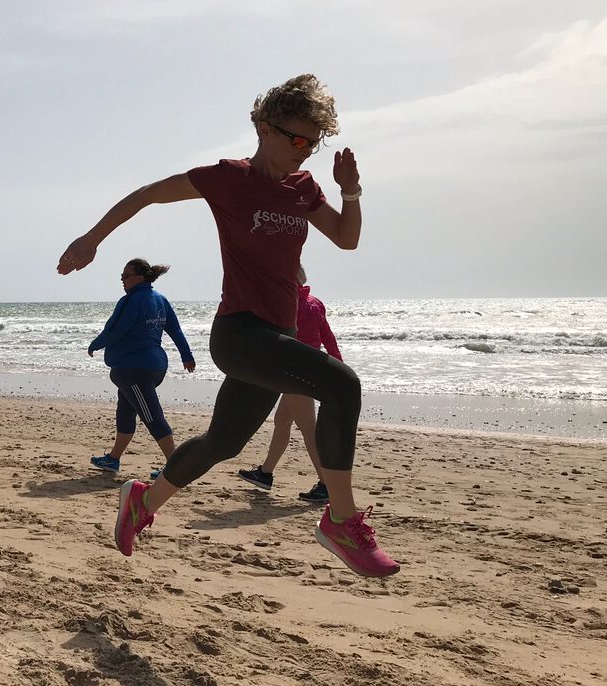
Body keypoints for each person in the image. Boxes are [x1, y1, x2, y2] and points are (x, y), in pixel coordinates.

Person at [58, 74, 398, 577]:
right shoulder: (227, 179)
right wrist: (91, 239)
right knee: (342, 383)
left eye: (314, 141)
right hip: (239, 333)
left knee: (224, 443)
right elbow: (149, 194)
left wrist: (352, 192)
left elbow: (346, 239)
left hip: (276, 338)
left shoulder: (302, 187)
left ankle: (141, 501)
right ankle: (342, 521)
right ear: (263, 126)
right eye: (297, 139)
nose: (305, 151)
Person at [238, 263, 342, 504]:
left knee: (309, 429)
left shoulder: (286, 304)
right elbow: (327, 335)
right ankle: (265, 473)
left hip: (295, 371)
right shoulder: (315, 303)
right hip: (308, 369)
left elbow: (274, 338)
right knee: (282, 421)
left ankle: (327, 484)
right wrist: (337, 363)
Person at [88, 259, 195, 475]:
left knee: (151, 415)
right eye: (122, 276)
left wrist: (95, 344)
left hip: (134, 369)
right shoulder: (160, 299)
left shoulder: (132, 300)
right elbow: (175, 329)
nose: (122, 281)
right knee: (125, 412)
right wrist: (187, 355)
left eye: (125, 276)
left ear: (139, 277)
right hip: (152, 367)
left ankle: (175, 468)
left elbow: (115, 329)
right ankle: (113, 459)